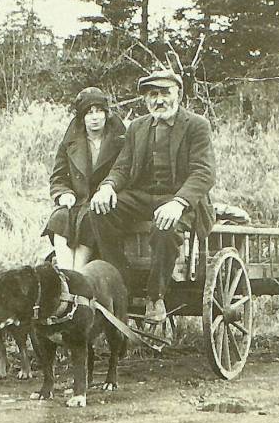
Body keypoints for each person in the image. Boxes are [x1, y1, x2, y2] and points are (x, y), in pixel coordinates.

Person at [82, 70, 216, 322]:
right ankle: (121, 283)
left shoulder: (197, 125)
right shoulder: (138, 127)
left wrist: (178, 203)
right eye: (153, 95)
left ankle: (155, 297)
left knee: (165, 226)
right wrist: (108, 186)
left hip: (182, 201)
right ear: (146, 99)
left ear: (179, 94)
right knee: (98, 211)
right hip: (144, 198)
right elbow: (122, 167)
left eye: (165, 93)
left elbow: (203, 173)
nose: (159, 100)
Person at [42, 87, 126, 271]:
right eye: (89, 113)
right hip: (77, 203)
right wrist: (63, 193)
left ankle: (78, 277)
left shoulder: (121, 141)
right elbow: (58, 177)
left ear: (106, 114)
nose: (94, 117)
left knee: (88, 220)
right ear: (82, 118)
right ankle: (66, 276)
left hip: (104, 205)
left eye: (99, 111)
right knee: (60, 217)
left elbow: (125, 172)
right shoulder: (69, 143)